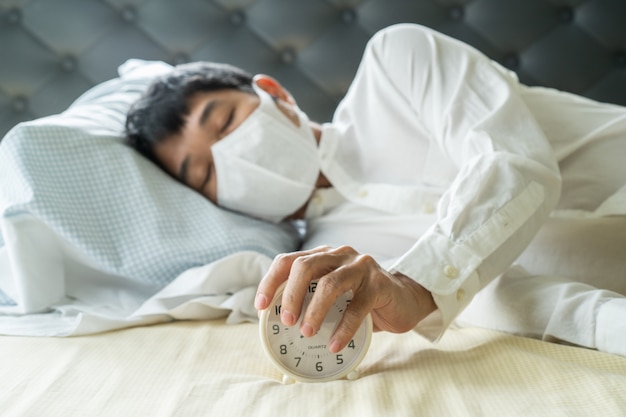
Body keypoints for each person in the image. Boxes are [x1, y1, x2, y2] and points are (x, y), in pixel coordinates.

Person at [125, 24, 626, 357]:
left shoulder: (397, 64)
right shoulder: (338, 264)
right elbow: (504, 297)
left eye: (227, 121)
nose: (230, 156)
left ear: (275, 93)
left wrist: (418, 282)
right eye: (205, 174)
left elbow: (514, 163)